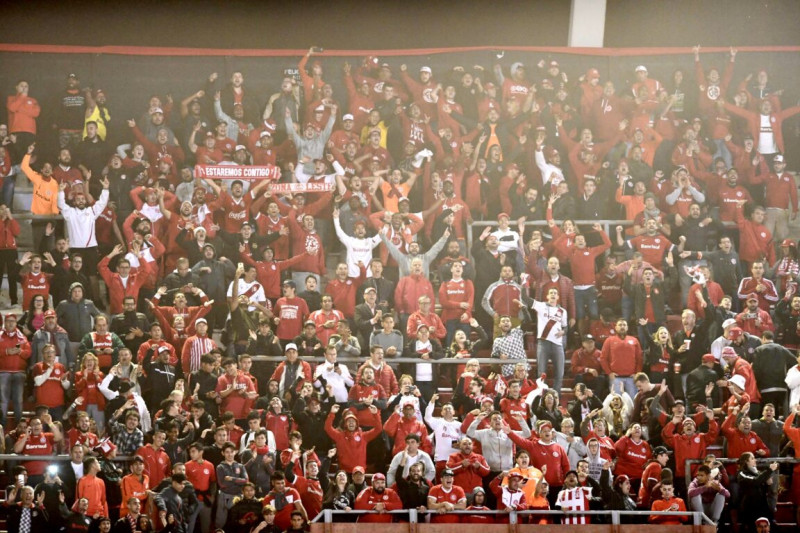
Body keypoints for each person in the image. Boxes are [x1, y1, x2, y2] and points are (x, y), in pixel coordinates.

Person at [737, 453, 779, 532]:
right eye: (752, 458)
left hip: (762, 505)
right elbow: (755, 481)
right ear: (746, 461)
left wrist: (767, 483)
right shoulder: (742, 474)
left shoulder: (758, 473)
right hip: (750, 507)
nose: (755, 460)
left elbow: (761, 484)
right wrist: (769, 470)